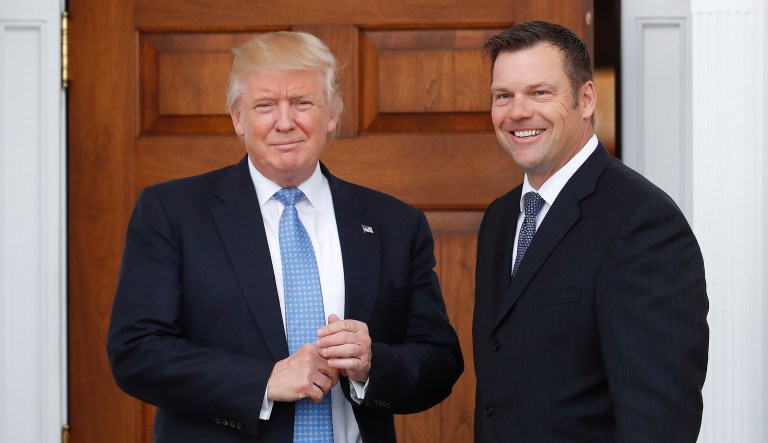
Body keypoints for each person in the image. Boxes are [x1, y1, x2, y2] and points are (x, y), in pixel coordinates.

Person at [107, 31, 463, 443]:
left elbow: (439, 360)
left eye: (302, 102)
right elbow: (136, 352)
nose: (284, 121)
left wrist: (371, 365)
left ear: (331, 115)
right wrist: (265, 379)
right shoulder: (172, 213)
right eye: (264, 105)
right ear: (238, 119)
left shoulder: (395, 224)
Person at [472, 21, 708, 442]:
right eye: (503, 96)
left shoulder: (642, 222)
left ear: (585, 100)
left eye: (540, 92)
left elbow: (658, 424)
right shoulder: (500, 219)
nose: (518, 112)